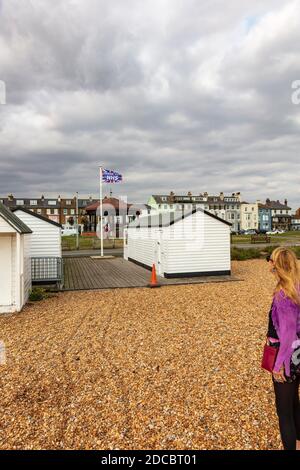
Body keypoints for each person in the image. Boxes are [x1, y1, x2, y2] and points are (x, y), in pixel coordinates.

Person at [266, 247, 300, 450]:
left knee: (285, 412)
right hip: (299, 355)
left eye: (270, 260)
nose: (268, 264)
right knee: (295, 404)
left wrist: (279, 366)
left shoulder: (283, 295)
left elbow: (286, 334)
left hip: (287, 357)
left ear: (276, 265)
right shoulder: (297, 287)